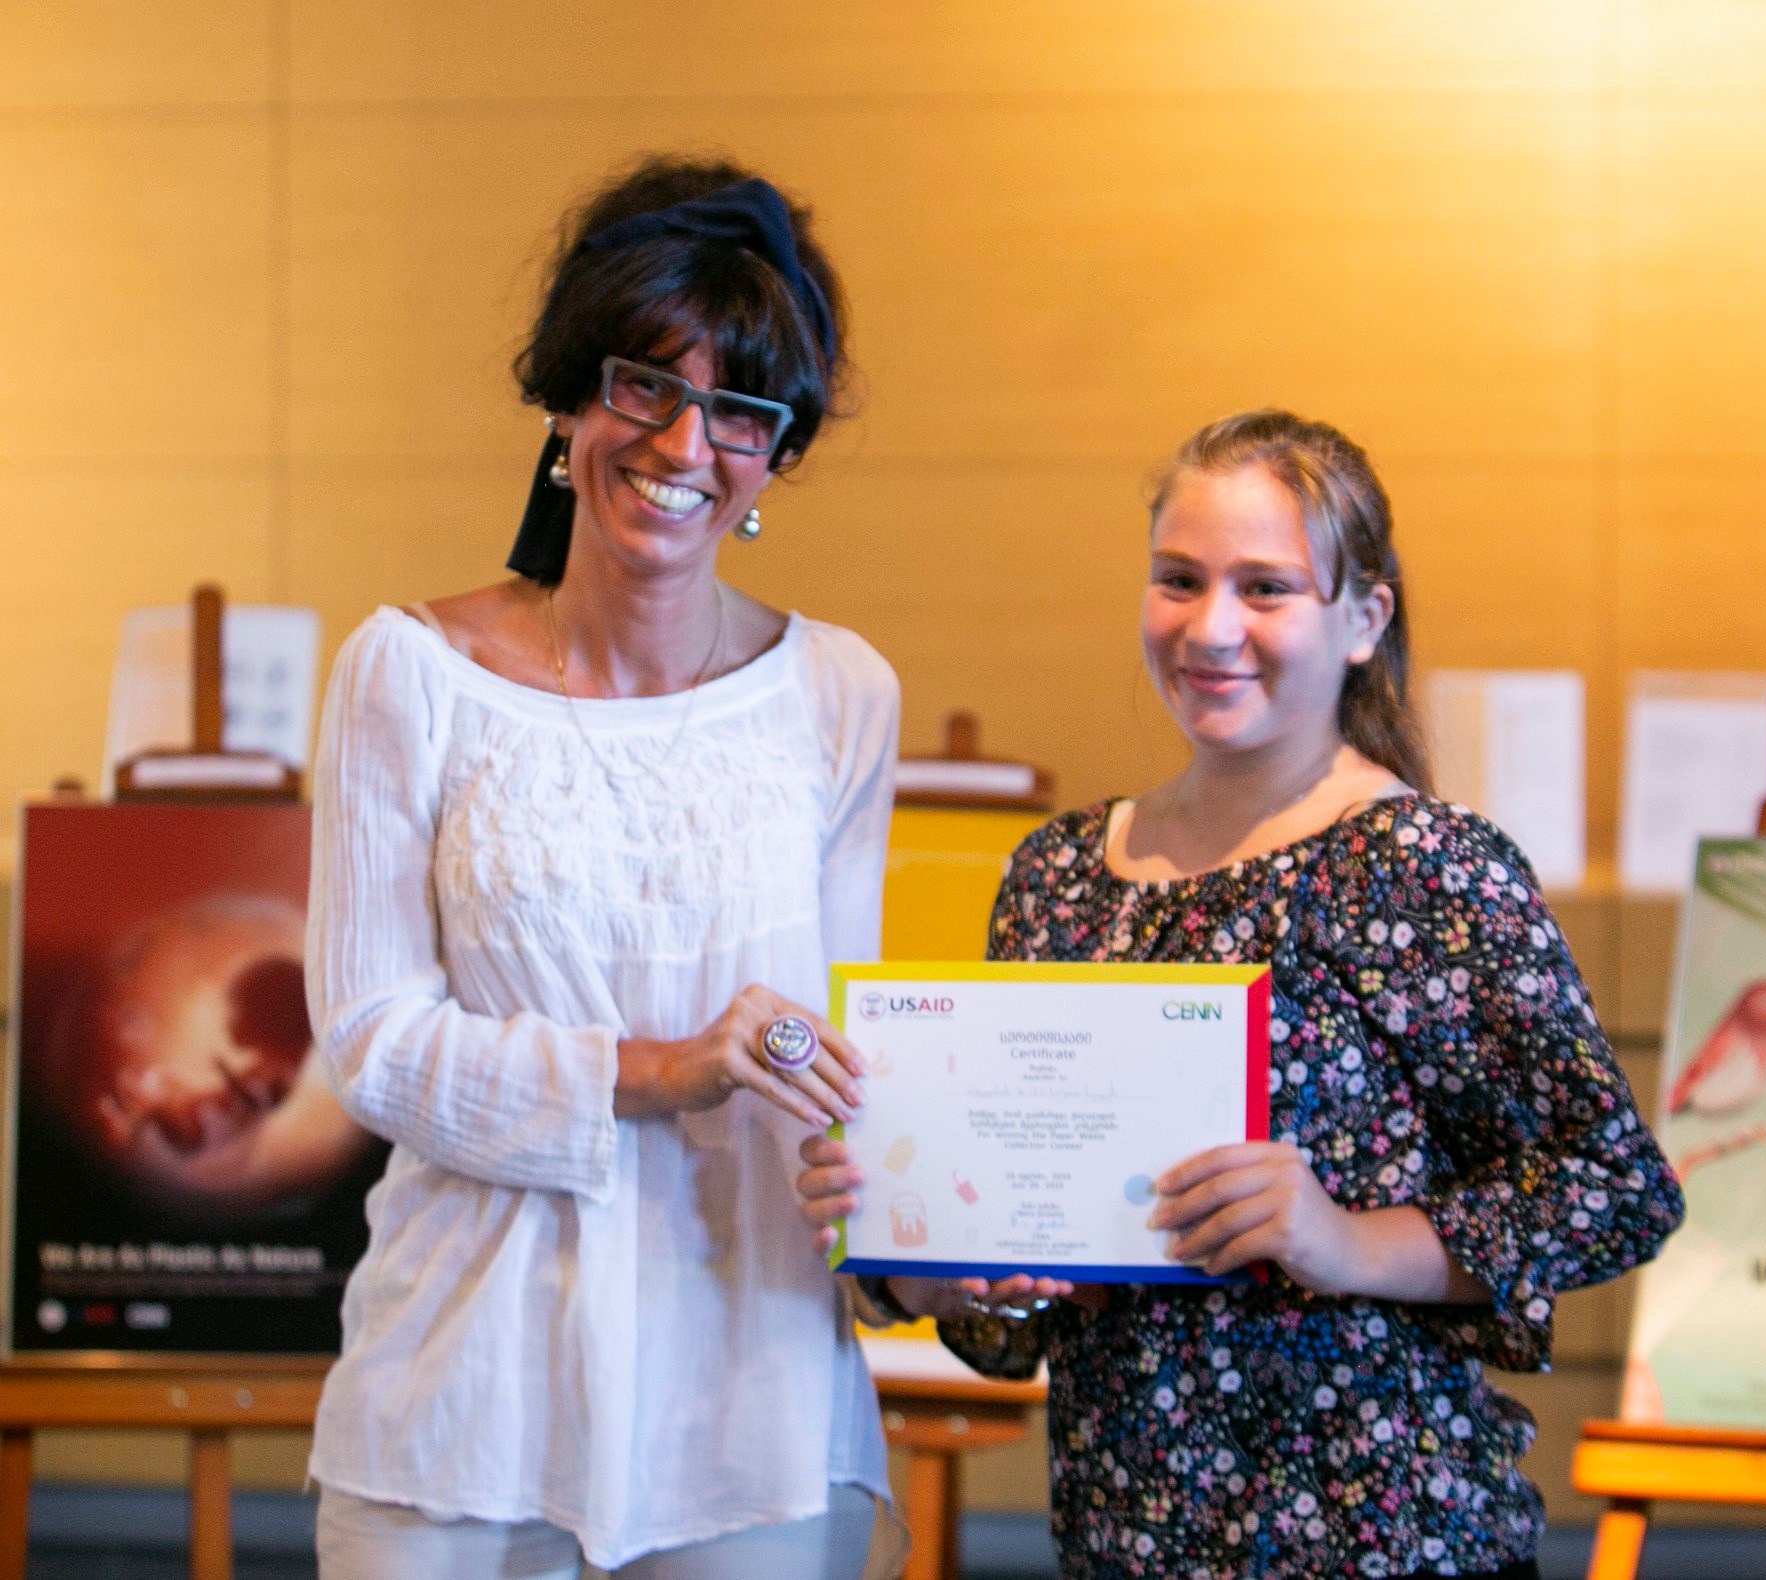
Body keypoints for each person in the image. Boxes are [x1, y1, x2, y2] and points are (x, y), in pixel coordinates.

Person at [798, 410, 1684, 1579]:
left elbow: (1613, 1188)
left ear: (1363, 618)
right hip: (1123, 1532)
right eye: (1178, 578)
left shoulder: (1422, 865)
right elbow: (1016, 1310)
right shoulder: (1057, 875)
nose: (1210, 626)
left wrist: (1346, 1239)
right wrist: (920, 1252)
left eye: (1264, 587)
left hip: (1384, 1540)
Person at [307, 155, 902, 1579]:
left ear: (773, 456)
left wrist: (932, 1211)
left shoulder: (839, 693)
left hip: (747, 1393)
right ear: (572, 397)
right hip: (465, 1391)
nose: (685, 444)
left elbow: (850, 1057)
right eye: (647, 385)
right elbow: (372, 1042)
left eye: (740, 410)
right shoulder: (407, 673)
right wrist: (666, 1068)